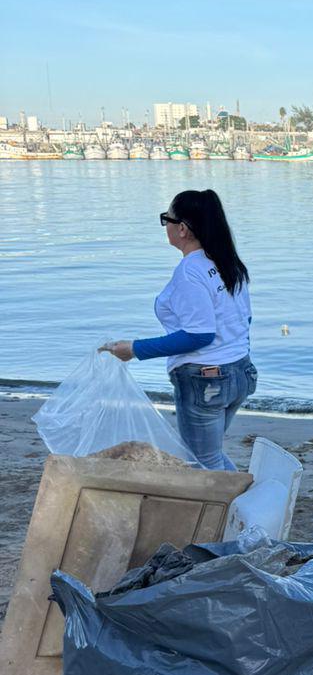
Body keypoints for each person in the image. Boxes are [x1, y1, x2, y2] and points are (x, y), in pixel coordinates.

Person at [101, 190, 255, 471]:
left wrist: (134, 349)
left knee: (201, 462)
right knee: (210, 456)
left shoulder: (191, 272)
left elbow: (200, 334)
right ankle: (245, 507)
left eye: (166, 219)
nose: (166, 227)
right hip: (239, 371)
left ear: (182, 228)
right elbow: (244, 320)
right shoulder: (227, 262)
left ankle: (240, 512)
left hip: (207, 380)